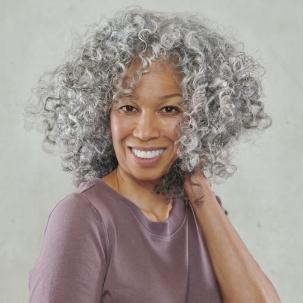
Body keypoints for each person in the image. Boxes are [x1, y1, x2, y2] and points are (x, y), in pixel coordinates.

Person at [24, 6, 281, 303]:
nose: (145, 131)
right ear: (102, 116)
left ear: (201, 117)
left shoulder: (200, 209)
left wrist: (199, 188)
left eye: (169, 109)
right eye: (128, 108)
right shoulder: (85, 217)